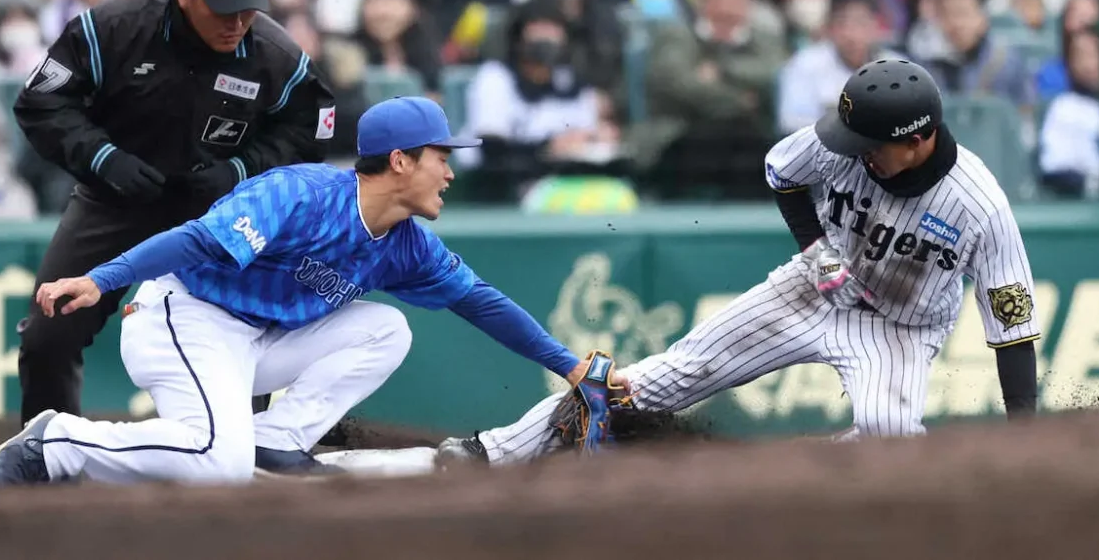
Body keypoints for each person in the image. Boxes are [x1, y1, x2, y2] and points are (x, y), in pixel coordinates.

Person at [435, 59, 1040, 465]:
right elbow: (782, 171)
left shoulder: (978, 206)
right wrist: (815, 247)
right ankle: (493, 450)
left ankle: (788, 477)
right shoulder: (842, 147)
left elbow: (1012, 330)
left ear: (918, 140)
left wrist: (1025, 442)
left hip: (900, 329)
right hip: (810, 291)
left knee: (891, 445)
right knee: (659, 380)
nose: (855, 153)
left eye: (870, 146)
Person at [0, 97, 595, 487]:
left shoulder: (410, 244)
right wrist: (100, 279)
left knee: (386, 328)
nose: (452, 171)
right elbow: (194, 242)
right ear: (402, 161)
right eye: (442, 156)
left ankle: (278, 439)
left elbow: (482, 302)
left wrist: (570, 367)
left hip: (259, 343)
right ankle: (58, 441)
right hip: (186, 317)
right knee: (216, 463)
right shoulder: (300, 195)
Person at [11, 0, 337, 425]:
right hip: (113, 200)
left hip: (219, 213)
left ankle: (239, 460)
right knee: (48, 331)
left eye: (249, 7)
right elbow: (41, 102)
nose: (238, 23)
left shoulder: (274, 53)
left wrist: (239, 171)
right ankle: (43, 457)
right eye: (224, 8)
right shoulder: (115, 26)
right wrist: (103, 158)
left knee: (237, 331)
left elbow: (312, 130)